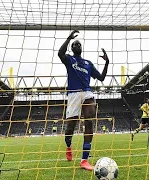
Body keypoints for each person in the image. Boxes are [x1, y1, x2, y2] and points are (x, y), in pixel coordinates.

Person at [58, 30, 109, 170]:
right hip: (73, 95)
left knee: (89, 121)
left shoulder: (88, 63)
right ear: (72, 48)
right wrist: (69, 38)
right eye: (75, 44)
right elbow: (60, 53)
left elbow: (101, 78)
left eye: (79, 44)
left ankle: (84, 160)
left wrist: (107, 63)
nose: (77, 45)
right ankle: (68, 146)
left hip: (87, 93)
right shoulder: (69, 59)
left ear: (81, 48)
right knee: (70, 128)